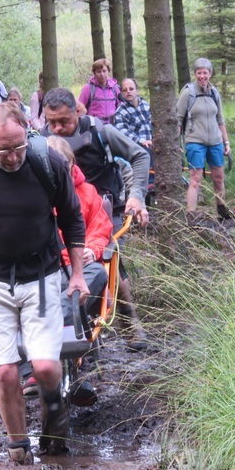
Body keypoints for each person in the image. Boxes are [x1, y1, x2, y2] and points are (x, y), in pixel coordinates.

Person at [0, 103, 89, 464]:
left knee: (44, 367)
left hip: (41, 276)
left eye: (19, 146)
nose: (12, 157)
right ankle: (19, 446)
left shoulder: (49, 163)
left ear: (29, 133)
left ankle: (54, 413)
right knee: (6, 371)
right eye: (3, 149)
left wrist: (77, 274)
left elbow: (72, 219)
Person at [41, 87, 149, 351]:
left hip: (102, 205)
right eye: (51, 121)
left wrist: (137, 195)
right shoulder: (41, 141)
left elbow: (140, 155)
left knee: (111, 258)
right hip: (59, 211)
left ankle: (129, 322)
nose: (57, 128)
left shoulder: (101, 132)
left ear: (78, 111)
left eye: (64, 121)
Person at [22, 135, 113, 399]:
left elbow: (100, 228)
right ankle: (39, 366)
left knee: (97, 272)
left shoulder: (87, 193)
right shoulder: (28, 193)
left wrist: (91, 250)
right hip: (41, 269)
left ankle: (51, 340)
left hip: (77, 268)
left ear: (72, 164)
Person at [176, 57, 235, 225]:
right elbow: (178, 120)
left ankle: (222, 210)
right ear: (195, 74)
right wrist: (176, 143)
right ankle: (191, 216)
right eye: (199, 73)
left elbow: (220, 119)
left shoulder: (214, 93)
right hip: (194, 142)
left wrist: (226, 143)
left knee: (218, 177)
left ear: (210, 74)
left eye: (205, 73)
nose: (202, 76)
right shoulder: (188, 93)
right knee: (195, 178)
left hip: (215, 141)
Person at [114, 78, 155, 189]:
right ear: (122, 93)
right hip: (134, 147)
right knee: (145, 149)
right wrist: (141, 141)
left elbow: (156, 126)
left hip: (153, 143)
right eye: (125, 90)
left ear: (137, 91)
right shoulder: (120, 112)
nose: (128, 92)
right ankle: (149, 183)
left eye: (131, 89)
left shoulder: (147, 106)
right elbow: (122, 132)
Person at [77, 58, 121, 124]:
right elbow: (79, 108)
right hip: (94, 125)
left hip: (113, 124)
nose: (102, 74)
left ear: (108, 71)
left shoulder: (115, 88)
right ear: (94, 73)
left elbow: (121, 107)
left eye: (104, 71)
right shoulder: (88, 88)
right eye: (99, 71)